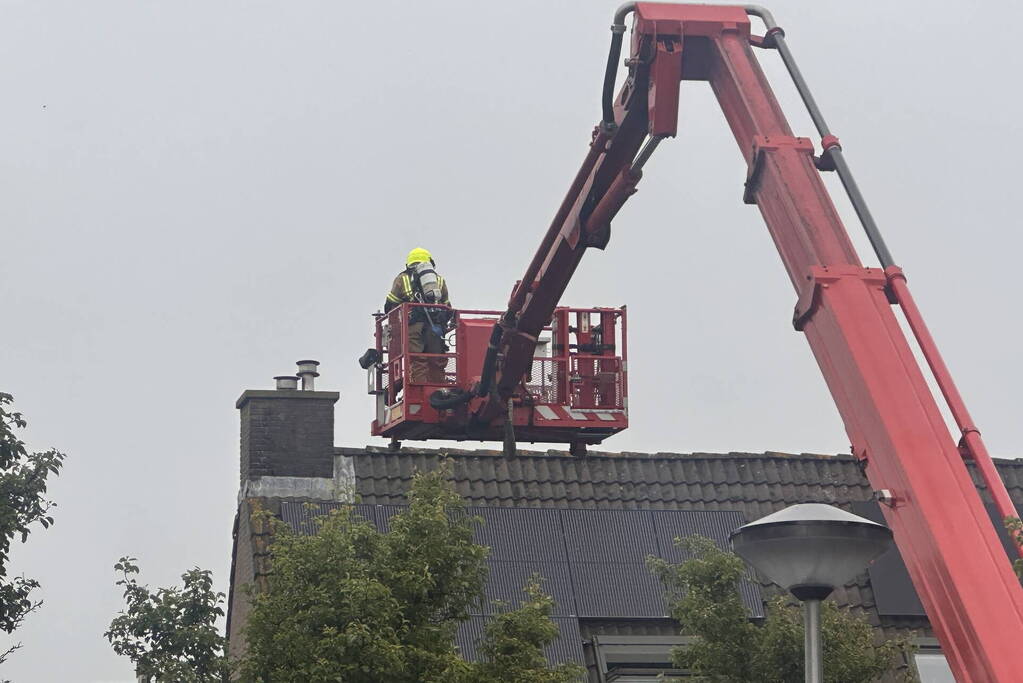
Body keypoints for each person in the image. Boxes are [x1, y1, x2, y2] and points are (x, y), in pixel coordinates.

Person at [384, 248, 451, 384]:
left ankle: (418, 389)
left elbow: (390, 305)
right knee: (436, 360)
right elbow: (448, 307)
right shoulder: (439, 280)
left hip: (413, 326)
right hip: (435, 327)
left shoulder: (402, 279)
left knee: (417, 359)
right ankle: (438, 388)